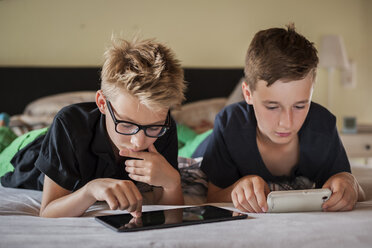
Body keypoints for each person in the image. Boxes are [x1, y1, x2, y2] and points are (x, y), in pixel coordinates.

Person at [0, 38, 186, 217]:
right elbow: (48, 211)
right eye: (127, 124)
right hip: (29, 150)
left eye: (153, 128)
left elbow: (171, 213)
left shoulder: (165, 126)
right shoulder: (69, 123)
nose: (138, 141)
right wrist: (89, 191)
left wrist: (172, 183)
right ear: (102, 103)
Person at [200, 24, 365, 213]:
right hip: (203, 141)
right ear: (248, 94)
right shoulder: (229, 124)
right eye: (272, 106)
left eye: (300, 106)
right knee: (197, 140)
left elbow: (352, 188)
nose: (286, 122)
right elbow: (212, 197)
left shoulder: (323, 125)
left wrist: (350, 183)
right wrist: (238, 189)